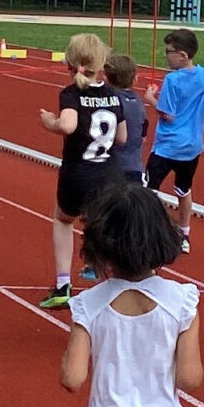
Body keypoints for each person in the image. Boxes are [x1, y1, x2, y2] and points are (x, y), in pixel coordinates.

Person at [61, 184, 201, 407]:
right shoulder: (183, 301)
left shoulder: (89, 305)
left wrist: (72, 351)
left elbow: (73, 378)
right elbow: (189, 379)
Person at [38, 33, 126, 309]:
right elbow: (122, 138)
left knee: (63, 219)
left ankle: (63, 283)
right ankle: (116, 284)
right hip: (110, 174)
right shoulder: (113, 95)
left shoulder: (71, 94)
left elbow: (68, 125)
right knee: (108, 227)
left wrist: (49, 122)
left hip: (78, 173)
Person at [142, 29, 204, 254]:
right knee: (183, 189)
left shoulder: (172, 80)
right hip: (192, 147)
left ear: (182, 55)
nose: (166, 56)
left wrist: (150, 98)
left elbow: (167, 114)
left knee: (149, 190)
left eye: (169, 52)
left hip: (167, 146)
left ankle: (151, 233)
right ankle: (184, 234)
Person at [106, 54, 148, 186]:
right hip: (134, 168)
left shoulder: (108, 100)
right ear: (134, 79)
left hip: (111, 168)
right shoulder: (138, 102)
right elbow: (144, 133)